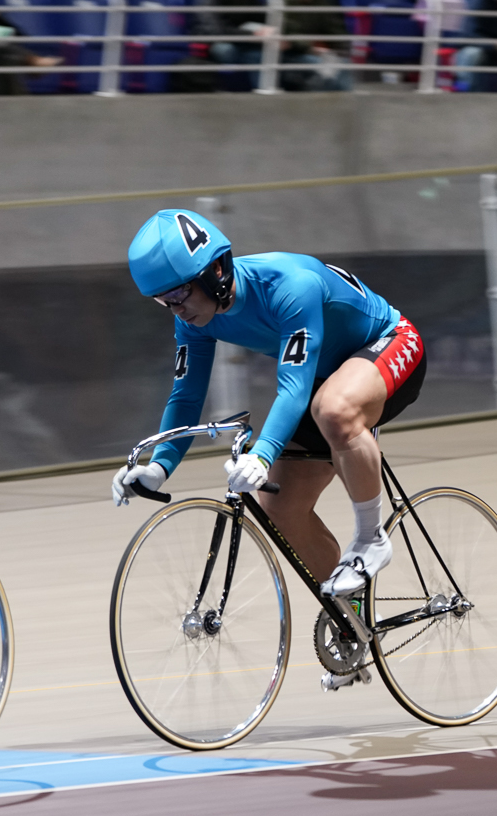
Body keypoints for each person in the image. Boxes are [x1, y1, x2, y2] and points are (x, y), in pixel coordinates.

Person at [110, 211, 427, 675]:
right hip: (326, 379)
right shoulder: (194, 319)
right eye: (163, 301)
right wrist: (159, 467)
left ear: (215, 273)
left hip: (391, 343)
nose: (176, 309)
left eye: (179, 294)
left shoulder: (289, 286)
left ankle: (370, 537)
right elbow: (187, 394)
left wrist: (263, 453)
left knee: (334, 409)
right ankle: (353, 619)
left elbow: (294, 388)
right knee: (279, 507)